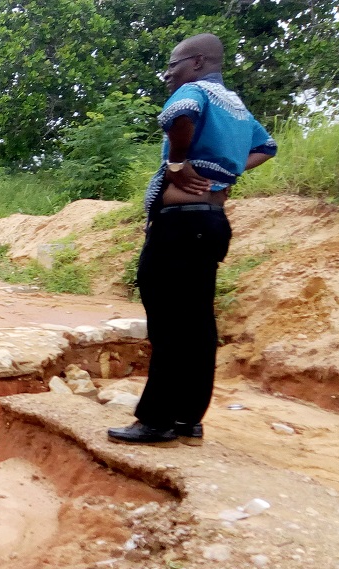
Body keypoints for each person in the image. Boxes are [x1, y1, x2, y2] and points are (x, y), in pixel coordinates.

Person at [108, 34, 275, 445]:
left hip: (181, 225)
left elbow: (179, 114)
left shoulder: (194, 92)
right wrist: (226, 173)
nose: (168, 74)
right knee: (198, 322)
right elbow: (267, 146)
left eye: (173, 64)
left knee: (167, 322)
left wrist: (178, 162)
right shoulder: (235, 105)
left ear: (198, 63)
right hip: (212, 222)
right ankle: (188, 418)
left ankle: (156, 420)